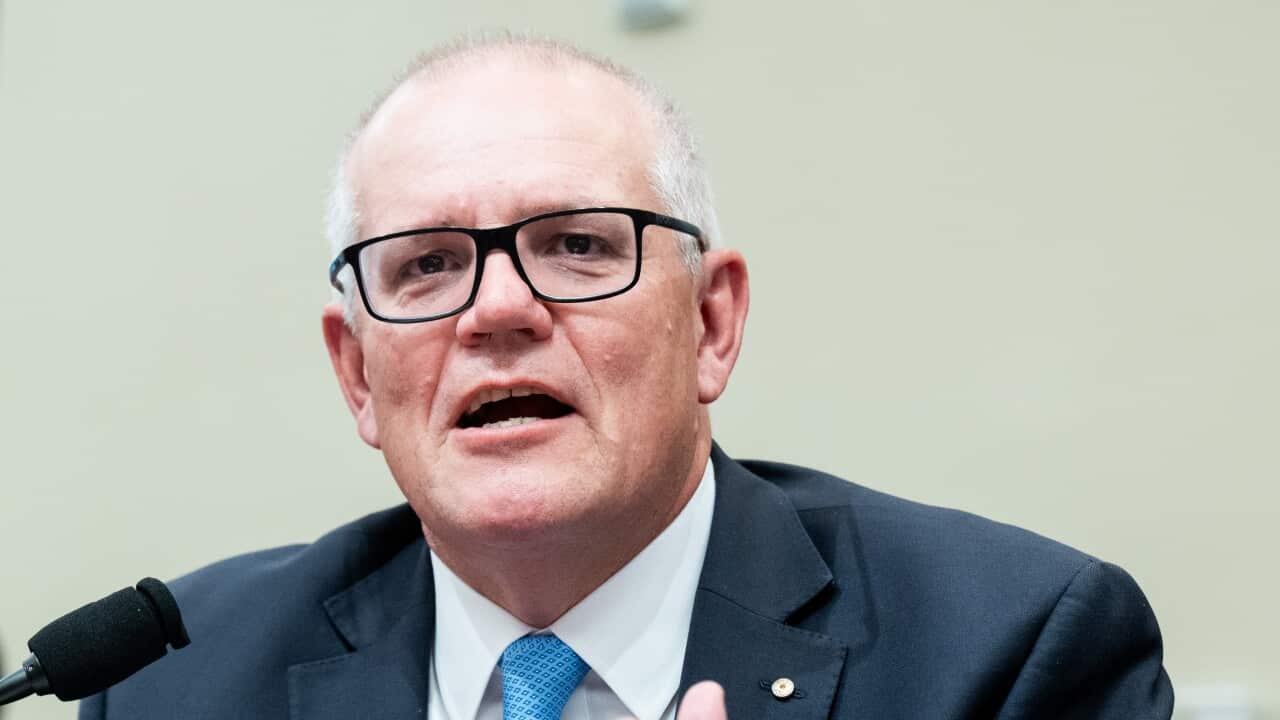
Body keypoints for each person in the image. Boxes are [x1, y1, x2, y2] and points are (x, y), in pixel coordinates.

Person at [80, 35, 1174, 719]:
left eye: (577, 246)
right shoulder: (172, 684)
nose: (497, 310)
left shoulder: (1009, 653)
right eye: (427, 266)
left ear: (710, 323)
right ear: (356, 375)